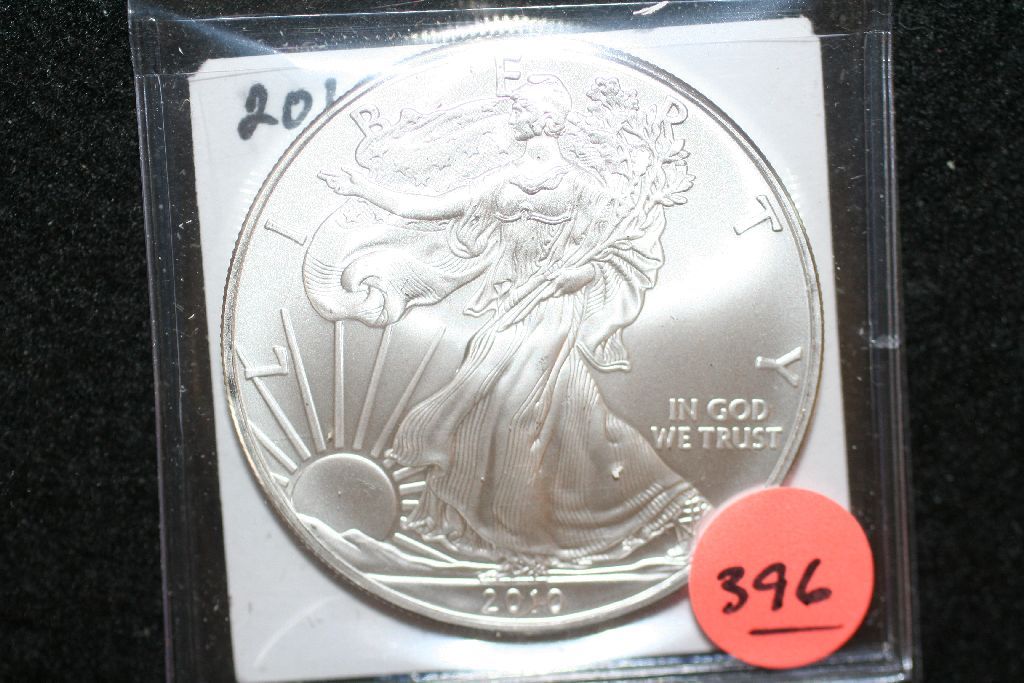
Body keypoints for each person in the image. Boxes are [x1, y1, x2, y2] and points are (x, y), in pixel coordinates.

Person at [310, 74, 707, 565]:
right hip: (509, 305)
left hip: (553, 309)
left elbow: (628, 250)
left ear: (545, 118)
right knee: (575, 419)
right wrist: (364, 189)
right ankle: (660, 505)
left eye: (521, 108)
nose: (513, 114)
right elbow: (431, 210)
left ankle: (523, 540)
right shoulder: (503, 182)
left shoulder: (582, 188)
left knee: (516, 411)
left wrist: (580, 274)